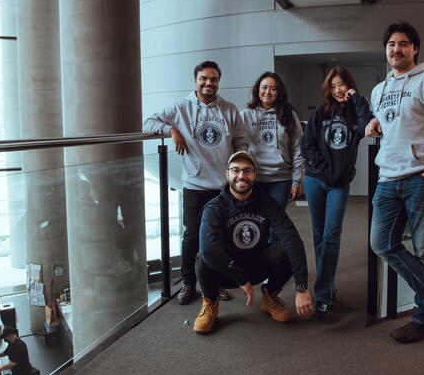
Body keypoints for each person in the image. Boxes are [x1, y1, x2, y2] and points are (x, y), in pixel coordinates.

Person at [366, 21, 424, 350]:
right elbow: (391, 121)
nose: (396, 49)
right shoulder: (379, 90)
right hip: (388, 179)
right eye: (391, 44)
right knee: (382, 243)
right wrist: (375, 121)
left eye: (403, 43)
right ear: (386, 50)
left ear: (414, 49)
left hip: (423, 178)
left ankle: (423, 321)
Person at [143, 61, 248, 304]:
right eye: (204, 79)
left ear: (218, 82)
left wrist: (236, 171)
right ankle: (189, 283)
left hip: (223, 187)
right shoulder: (181, 107)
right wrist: (171, 130)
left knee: (220, 237)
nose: (208, 83)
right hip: (195, 185)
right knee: (192, 236)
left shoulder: (230, 110)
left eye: (213, 79)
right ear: (195, 81)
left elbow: (241, 142)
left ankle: (217, 281)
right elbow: (148, 123)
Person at [193, 151, 313, 334]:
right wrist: (241, 278)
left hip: (256, 266)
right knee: (203, 257)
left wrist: (301, 287)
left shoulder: (267, 203)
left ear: (255, 175)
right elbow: (210, 249)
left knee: (287, 249)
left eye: (247, 170)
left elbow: (292, 239)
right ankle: (210, 303)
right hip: (227, 271)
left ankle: (270, 296)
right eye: (236, 170)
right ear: (227, 174)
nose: (241, 175)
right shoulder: (214, 207)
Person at [301, 66, 373, 317]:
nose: (338, 90)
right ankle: (327, 287)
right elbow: (307, 145)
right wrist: (323, 168)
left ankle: (321, 293)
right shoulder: (321, 113)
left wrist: (356, 97)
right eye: (333, 86)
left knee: (332, 235)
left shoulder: (356, 115)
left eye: (342, 84)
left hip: (339, 185)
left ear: (349, 85)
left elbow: (368, 126)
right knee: (319, 235)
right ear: (328, 90)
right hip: (315, 181)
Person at [240, 72, 304, 212]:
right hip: (253, 178)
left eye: (273, 88)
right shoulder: (246, 114)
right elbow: (237, 145)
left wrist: (296, 180)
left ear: (279, 92)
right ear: (258, 90)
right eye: (264, 87)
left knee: (275, 224)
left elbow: (298, 148)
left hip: (280, 180)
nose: (267, 92)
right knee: (256, 223)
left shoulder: (289, 114)